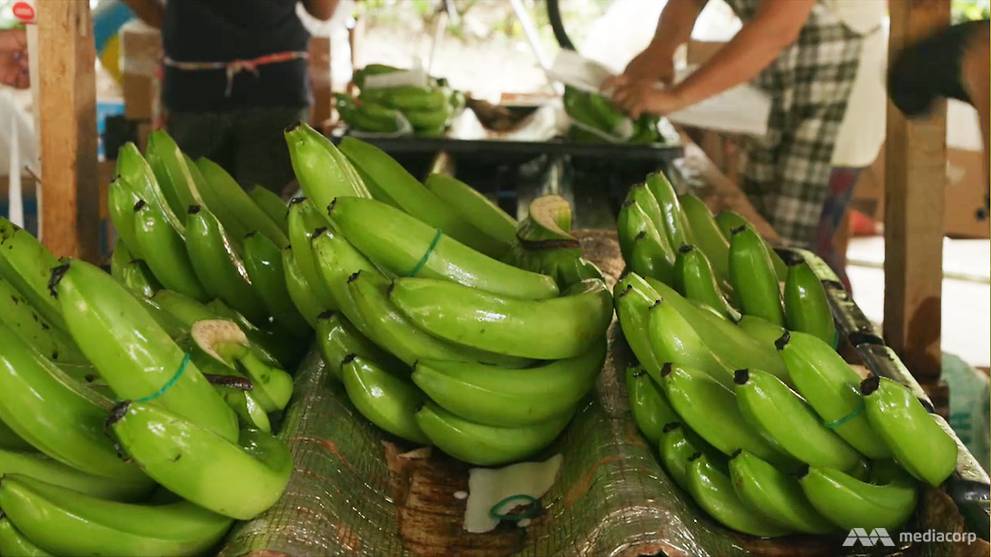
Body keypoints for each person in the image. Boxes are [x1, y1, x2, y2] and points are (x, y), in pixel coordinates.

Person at [607, 0, 881, 266]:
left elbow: (777, 28)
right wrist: (661, 49)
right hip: (781, 93)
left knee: (808, 259)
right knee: (766, 239)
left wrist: (675, 97)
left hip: (833, 102)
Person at [123, 0, 339, 193]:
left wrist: (177, 23)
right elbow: (323, 9)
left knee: (198, 210)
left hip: (193, 86)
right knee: (271, 218)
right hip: (274, 85)